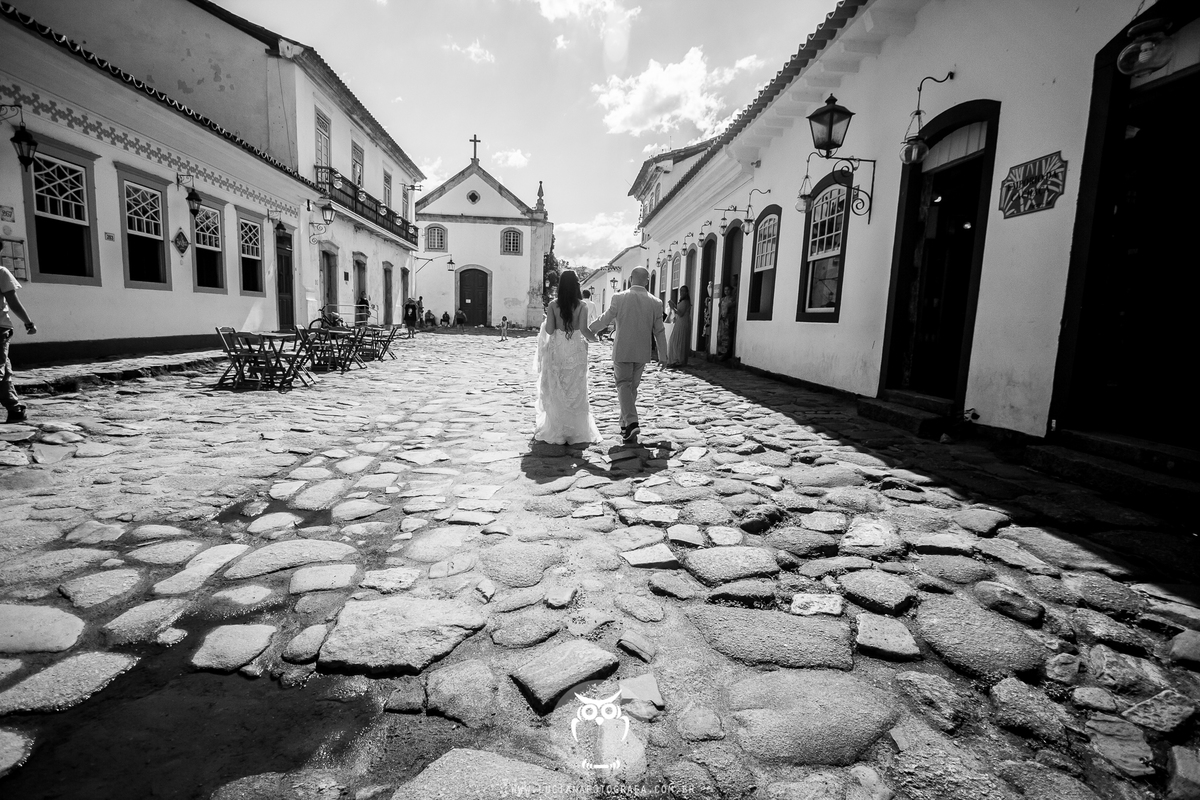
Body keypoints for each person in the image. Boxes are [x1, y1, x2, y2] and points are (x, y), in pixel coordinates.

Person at [589, 266, 667, 445]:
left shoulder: (619, 297)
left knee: (623, 384)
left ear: (631, 278)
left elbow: (606, 318)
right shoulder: (655, 302)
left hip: (623, 349)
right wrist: (664, 355)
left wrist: (590, 330)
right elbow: (659, 331)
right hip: (642, 352)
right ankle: (624, 425)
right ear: (647, 281)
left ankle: (631, 423)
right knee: (631, 388)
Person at [533, 269, 600, 445]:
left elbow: (549, 331)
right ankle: (575, 430)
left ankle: (558, 429)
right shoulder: (582, 306)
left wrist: (548, 321)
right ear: (576, 285)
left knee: (557, 387)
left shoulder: (553, 305)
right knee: (575, 387)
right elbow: (585, 331)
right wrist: (595, 339)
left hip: (557, 350)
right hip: (576, 351)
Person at [1, 265, 37, 424]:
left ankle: (15, 410)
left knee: (4, 371)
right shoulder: (1, 272)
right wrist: (28, 323)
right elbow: (12, 300)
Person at [666, 285, 692, 367]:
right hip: (679, 322)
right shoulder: (682, 301)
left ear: (686, 292)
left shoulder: (686, 302)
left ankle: (678, 360)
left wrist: (673, 307)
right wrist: (673, 305)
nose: (681, 292)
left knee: (677, 340)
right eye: (681, 291)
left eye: (683, 291)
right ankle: (676, 359)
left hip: (683, 322)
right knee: (675, 340)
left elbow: (680, 313)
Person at [717, 284, 735, 360]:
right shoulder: (722, 299)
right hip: (722, 320)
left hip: (728, 319)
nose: (726, 291)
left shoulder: (733, 299)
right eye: (725, 290)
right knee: (721, 336)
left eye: (728, 290)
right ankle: (721, 351)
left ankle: (727, 352)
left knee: (727, 336)